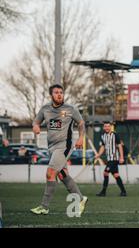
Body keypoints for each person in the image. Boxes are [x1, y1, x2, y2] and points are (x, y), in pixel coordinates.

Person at [30, 84, 88, 216]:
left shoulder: (70, 109)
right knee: (62, 175)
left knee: (50, 173)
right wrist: (35, 126)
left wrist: (80, 138)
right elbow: (36, 122)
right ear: (51, 95)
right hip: (51, 147)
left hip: (64, 145)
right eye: (56, 92)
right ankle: (80, 198)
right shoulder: (45, 109)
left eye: (61, 92)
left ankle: (44, 206)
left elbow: (81, 123)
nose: (59, 94)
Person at [95, 122, 127, 197]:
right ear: (103, 127)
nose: (107, 128)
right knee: (116, 175)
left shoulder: (115, 135)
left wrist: (121, 157)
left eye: (108, 126)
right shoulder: (103, 136)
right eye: (105, 126)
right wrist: (98, 155)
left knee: (105, 173)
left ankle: (103, 192)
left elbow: (120, 146)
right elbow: (103, 146)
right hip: (109, 159)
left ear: (110, 127)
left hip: (114, 159)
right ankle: (123, 191)